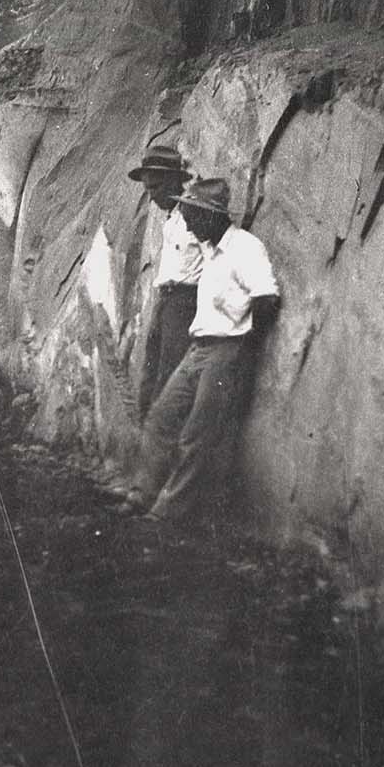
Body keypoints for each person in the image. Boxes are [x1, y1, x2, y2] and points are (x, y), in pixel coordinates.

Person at [137, 176, 279, 533]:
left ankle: (168, 512)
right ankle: (144, 493)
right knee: (160, 418)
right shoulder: (209, 250)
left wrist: (242, 344)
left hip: (226, 349)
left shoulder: (246, 248)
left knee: (197, 434)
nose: (189, 226)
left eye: (193, 218)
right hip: (198, 348)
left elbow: (266, 297)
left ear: (211, 216)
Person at [129, 143, 205, 412]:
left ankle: (161, 428)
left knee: (169, 370)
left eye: (156, 187)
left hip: (185, 302)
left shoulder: (196, 215)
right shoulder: (171, 219)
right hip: (165, 299)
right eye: (148, 189)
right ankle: (145, 424)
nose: (152, 197)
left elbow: (213, 261)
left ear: (174, 181)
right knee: (150, 366)